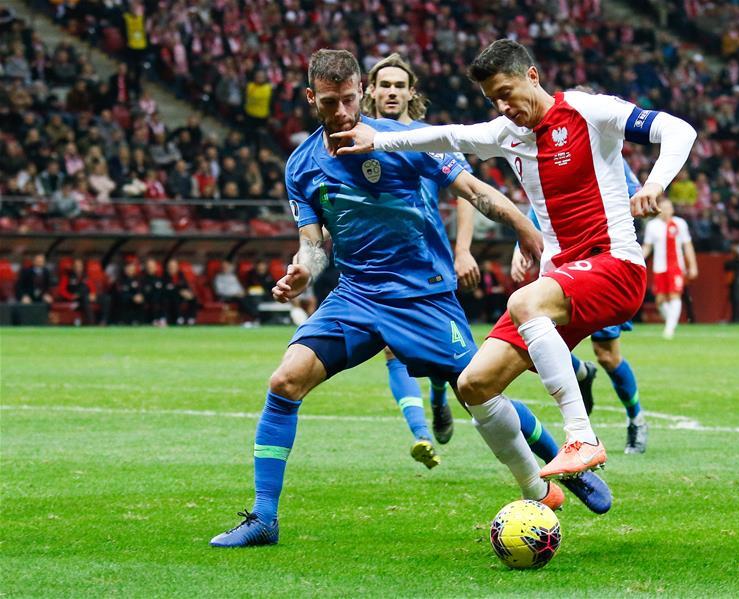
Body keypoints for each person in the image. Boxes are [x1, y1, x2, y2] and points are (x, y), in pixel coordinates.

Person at [209, 49, 595, 548]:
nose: (344, 112)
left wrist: (523, 227)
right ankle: (264, 518)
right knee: (284, 381)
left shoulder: (404, 141)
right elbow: (313, 243)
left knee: (478, 387)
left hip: (423, 297)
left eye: (350, 99)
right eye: (331, 103)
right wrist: (303, 272)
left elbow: (473, 190)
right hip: (356, 296)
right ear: (312, 99)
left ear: (360, 92)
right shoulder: (302, 166)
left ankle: (563, 460)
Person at [334, 39, 695, 501]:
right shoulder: (506, 133)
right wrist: (379, 139)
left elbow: (679, 130)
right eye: (493, 101)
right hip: (564, 277)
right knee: (474, 385)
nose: (504, 107)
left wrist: (654, 184)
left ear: (533, 77)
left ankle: (581, 436)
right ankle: (539, 492)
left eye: (507, 92)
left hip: (614, 266)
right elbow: (448, 136)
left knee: (523, 301)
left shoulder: (586, 109)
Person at [361, 53, 479, 467]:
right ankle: (420, 434)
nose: (391, 92)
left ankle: (439, 395)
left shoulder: (430, 137)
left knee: (449, 362)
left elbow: (466, 192)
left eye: (399, 86)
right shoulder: (357, 137)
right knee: (393, 350)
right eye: (384, 85)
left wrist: (463, 249)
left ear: (412, 93)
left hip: (431, 264)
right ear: (370, 91)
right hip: (382, 266)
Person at [510, 158, 648, 453]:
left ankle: (636, 419)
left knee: (608, 356)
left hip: (600, 266)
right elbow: (540, 202)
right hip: (562, 269)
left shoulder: (604, 152)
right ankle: (582, 373)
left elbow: (635, 195)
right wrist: (518, 247)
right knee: (537, 347)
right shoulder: (551, 152)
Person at [642, 199, 698, 339]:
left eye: (669, 208)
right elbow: (647, 247)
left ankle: (669, 329)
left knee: (674, 295)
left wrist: (693, 265)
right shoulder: (652, 226)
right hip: (659, 267)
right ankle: (671, 321)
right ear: (658, 209)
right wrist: (636, 261)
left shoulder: (680, 223)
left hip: (676, 266)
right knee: (660, 300)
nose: (666, 211)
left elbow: (687, 246)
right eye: (663, 208)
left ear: (672, 210)